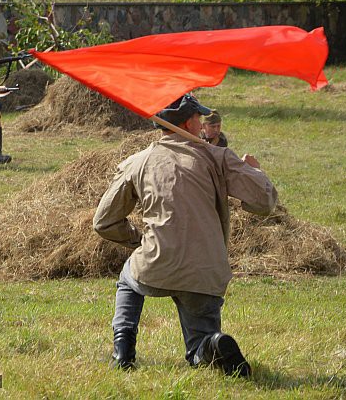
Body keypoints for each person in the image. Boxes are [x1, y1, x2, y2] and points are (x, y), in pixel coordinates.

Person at [93, 94, 279, 377]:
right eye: (200, 119)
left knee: (128, 278)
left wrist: (137, 240)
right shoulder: (218, 157)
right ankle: (211, 345)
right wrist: (256, 171)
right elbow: (265, 203)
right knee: (197, 348)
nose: (203, 125)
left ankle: (123, 350)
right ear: (190, 123)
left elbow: (104, 222)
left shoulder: (138, 162)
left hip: (155, 263)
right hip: (205, 271)